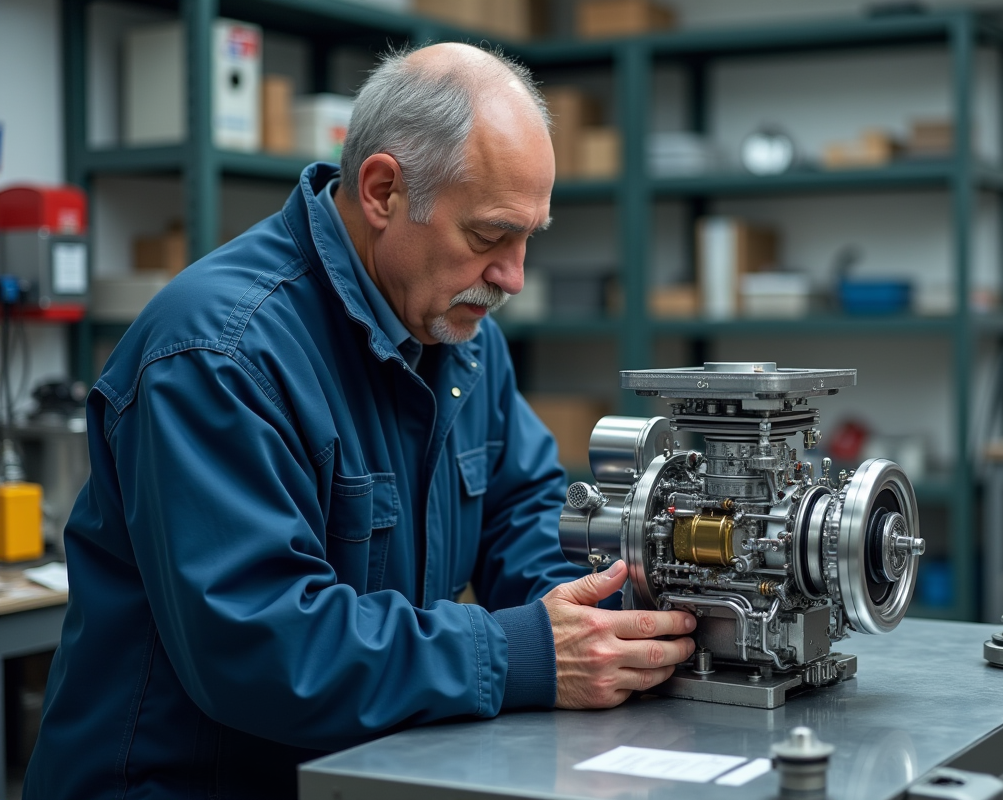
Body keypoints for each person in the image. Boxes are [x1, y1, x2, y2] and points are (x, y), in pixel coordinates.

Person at [25, 43, 695, 798]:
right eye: (489, 236)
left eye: (528, 238)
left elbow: (525, 515)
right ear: (382, 191)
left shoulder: (460, 337)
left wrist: (603, 620)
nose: (513, 276)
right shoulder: (219, 355)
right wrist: (518, 653)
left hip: (353, 770)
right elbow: (263, 643)